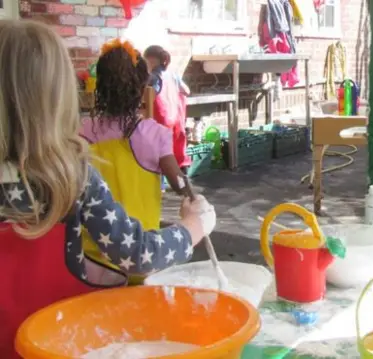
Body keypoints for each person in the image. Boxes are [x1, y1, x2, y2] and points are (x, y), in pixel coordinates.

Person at [0, 20, 215, 358]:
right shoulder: (72, 175)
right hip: (58, 339)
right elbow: (141, 253)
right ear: (56, 98)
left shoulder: (88, 133)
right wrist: (194, 225)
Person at [81, 39, 190, 283]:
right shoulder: (154, 135)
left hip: (91, 263)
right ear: (142, 88)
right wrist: (191, 196)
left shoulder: (81, 133)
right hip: (140, 257)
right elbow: (179, 184)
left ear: (99, 87)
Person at [143, 45, 191, 174]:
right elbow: (187, 91)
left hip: (160, 120)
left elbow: (149, 96)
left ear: (150, 61)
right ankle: (184, 184)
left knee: (160, 155)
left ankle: (161, 184)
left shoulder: (153, 77)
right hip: (175, 120)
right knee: (176, 153)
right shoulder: (173, 75)